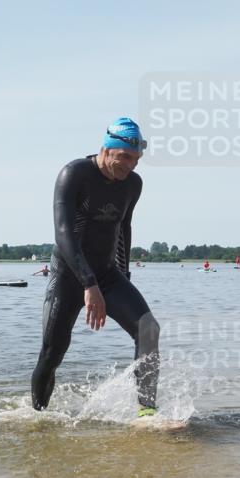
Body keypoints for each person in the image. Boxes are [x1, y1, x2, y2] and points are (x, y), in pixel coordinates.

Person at [31, 117, 160, 417]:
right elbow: (63, 234)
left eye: (136, 159)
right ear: (106, 149)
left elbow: (123, 229)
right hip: (68, 275)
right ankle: (38, 417)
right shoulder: (75, 174)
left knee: (148, 330)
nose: (130, 165)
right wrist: (89, 284)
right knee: (52, 353)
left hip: (107, 275)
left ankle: (146, 414)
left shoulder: (133, 184)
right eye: (124, 157)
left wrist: (124, 276)